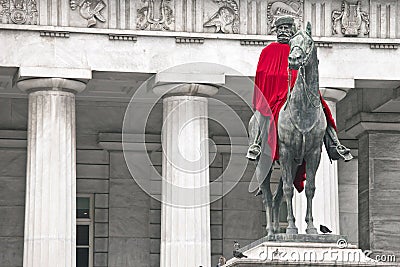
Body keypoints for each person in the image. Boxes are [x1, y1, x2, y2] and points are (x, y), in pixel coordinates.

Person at [247, 16, 353, 194]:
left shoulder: (299, 46)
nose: (283, 31)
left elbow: (309, 69)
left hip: (299, 94)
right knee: (259, 118)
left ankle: (334, 143)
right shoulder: (268, 51)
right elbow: (262, 75)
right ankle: (257, 144)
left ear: (293, 29)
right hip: (274, 96)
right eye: (279, 28)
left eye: (287, 28)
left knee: (323, 110)